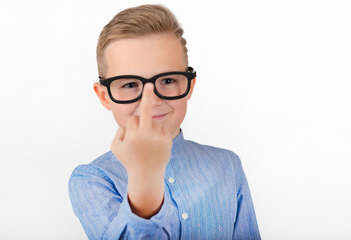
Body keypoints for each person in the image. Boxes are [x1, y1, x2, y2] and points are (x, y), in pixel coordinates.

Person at [68, 4, 261, 240]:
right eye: (130, 85)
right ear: (104, 96)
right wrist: (145, 177)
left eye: (168, 80)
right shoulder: (93, 179)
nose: (152, 100)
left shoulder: (228, 166)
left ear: (189, 85)